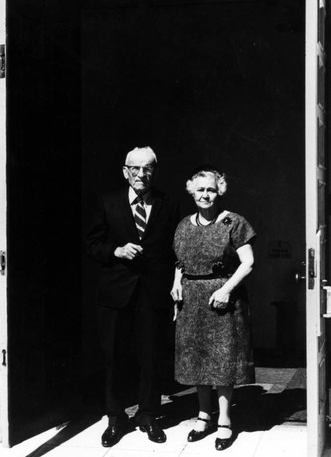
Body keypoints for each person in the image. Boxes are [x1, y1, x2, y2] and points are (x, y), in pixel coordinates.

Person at [86, 146, 179, 447]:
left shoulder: (168, 203)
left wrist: (175, 285)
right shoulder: (108, 202)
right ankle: (115, 418)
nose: (142, 174)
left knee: (151, 356)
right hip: (115, 293)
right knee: (114, 356)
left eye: (148, 168)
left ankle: (148, 415)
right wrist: (116, 251)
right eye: (135, 169)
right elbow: (92, 244)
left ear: (155, 170)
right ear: (125, 171)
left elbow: (175, 250)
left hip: (152, 293)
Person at [170, 166, 256, 451]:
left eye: (210, 189)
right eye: (200, 190)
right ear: (191, 193)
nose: (205, 195)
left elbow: (248, 263)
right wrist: (176, 283)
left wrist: (225, 290)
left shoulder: (233, 222)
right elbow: (181, 261)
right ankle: (203, 416)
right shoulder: (184, 225)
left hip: (223, 299)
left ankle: (225, 422)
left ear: (220, 191)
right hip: (191, 301)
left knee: (222, 361)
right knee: (196, 359)